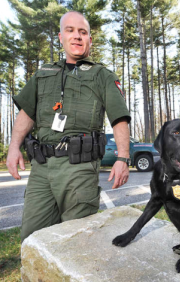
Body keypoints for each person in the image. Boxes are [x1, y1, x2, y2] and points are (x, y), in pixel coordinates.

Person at [6, 11, 131, 242]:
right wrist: (14, 147)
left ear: (90, 40)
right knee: (32, 239)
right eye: (70, 31)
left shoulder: (101, 75)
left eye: (83, 32)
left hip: (79, 169)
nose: (77, 36)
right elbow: (26, 113)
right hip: (41, 168)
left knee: (76, 241)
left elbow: (119, 118)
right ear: (60, 36)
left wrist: (123, 159)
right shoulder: (43, 73)